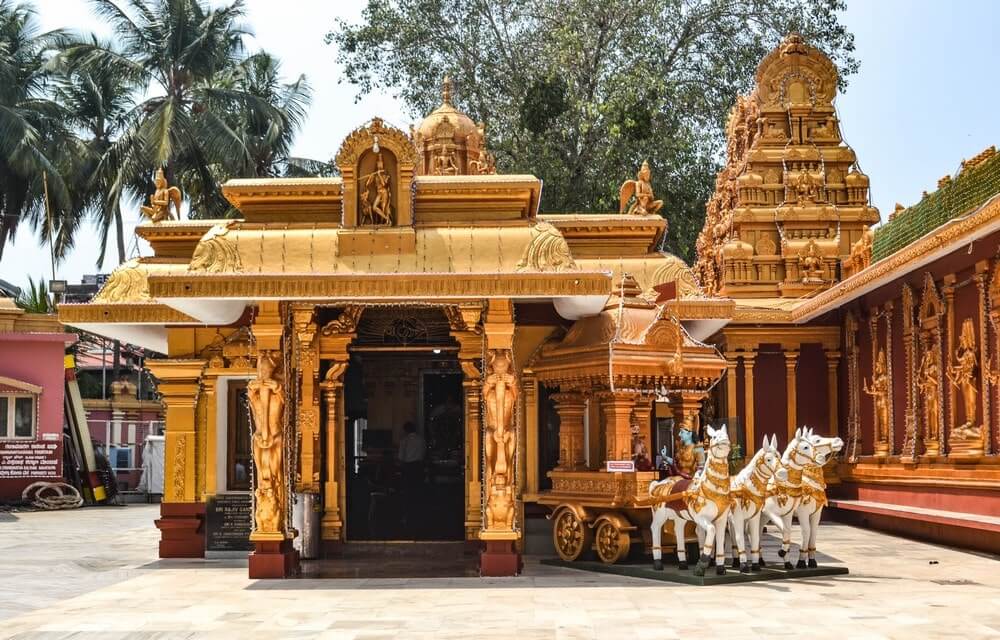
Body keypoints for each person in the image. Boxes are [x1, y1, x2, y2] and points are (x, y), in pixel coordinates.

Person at [397, 421, 426, 531]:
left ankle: (407, 517)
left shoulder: (404, 441)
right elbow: (423, 454)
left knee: (407, 493)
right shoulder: (421, 440)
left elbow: (401, 458)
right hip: (419, 468)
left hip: (408, 468)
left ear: (405, 430)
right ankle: (419, 516)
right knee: (418, 491)